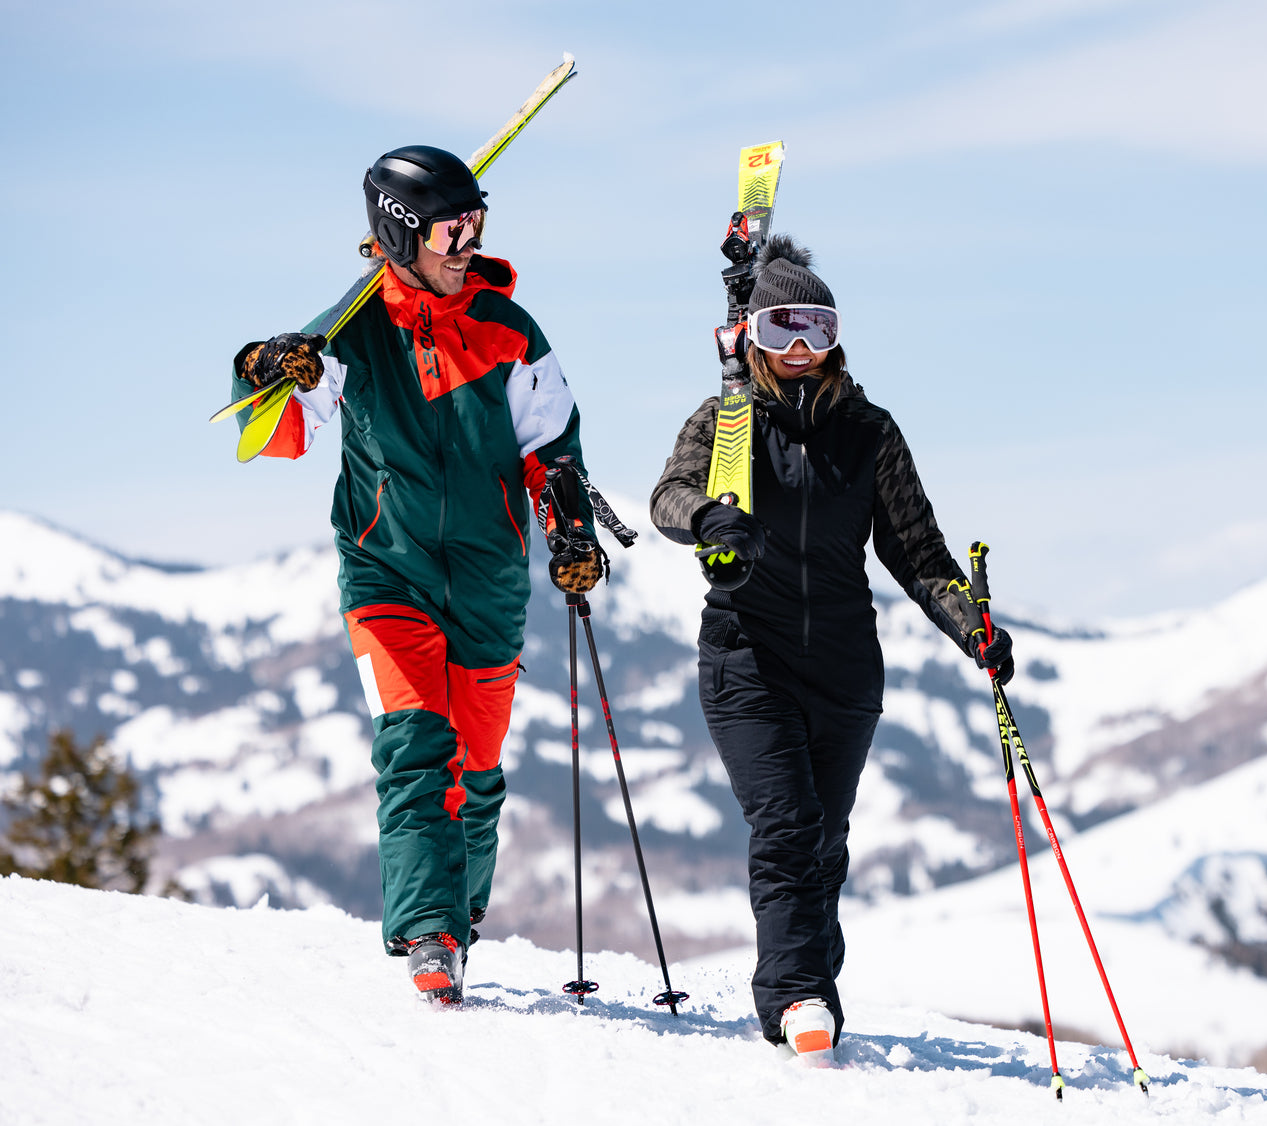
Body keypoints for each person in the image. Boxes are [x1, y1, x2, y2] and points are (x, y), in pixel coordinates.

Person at [229, 145, 602, 1004]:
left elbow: (553, 447)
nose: (467, 240)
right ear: (402, 232)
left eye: (477, 221)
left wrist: (570, 528)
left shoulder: (511, 331)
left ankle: (456, 920)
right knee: (413, 750)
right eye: (449, 227)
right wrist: (262, 367)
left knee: (475, 766)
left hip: (489, 577)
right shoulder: (354, 331)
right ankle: (429, 933)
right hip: (384, 571)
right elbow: (280, 432)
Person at [650, 236, 1014, 1054]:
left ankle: (811, 982)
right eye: (784, 330)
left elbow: (920, 556)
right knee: (786, 825)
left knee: (824, 842)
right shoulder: (727, 421)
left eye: (818, 327)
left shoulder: (870, 433)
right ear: (754, 336)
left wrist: (973, 630)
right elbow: (668, 495)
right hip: (747, 656)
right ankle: (797, 998)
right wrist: (710, 518)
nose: (803, 349)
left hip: (846, 669)